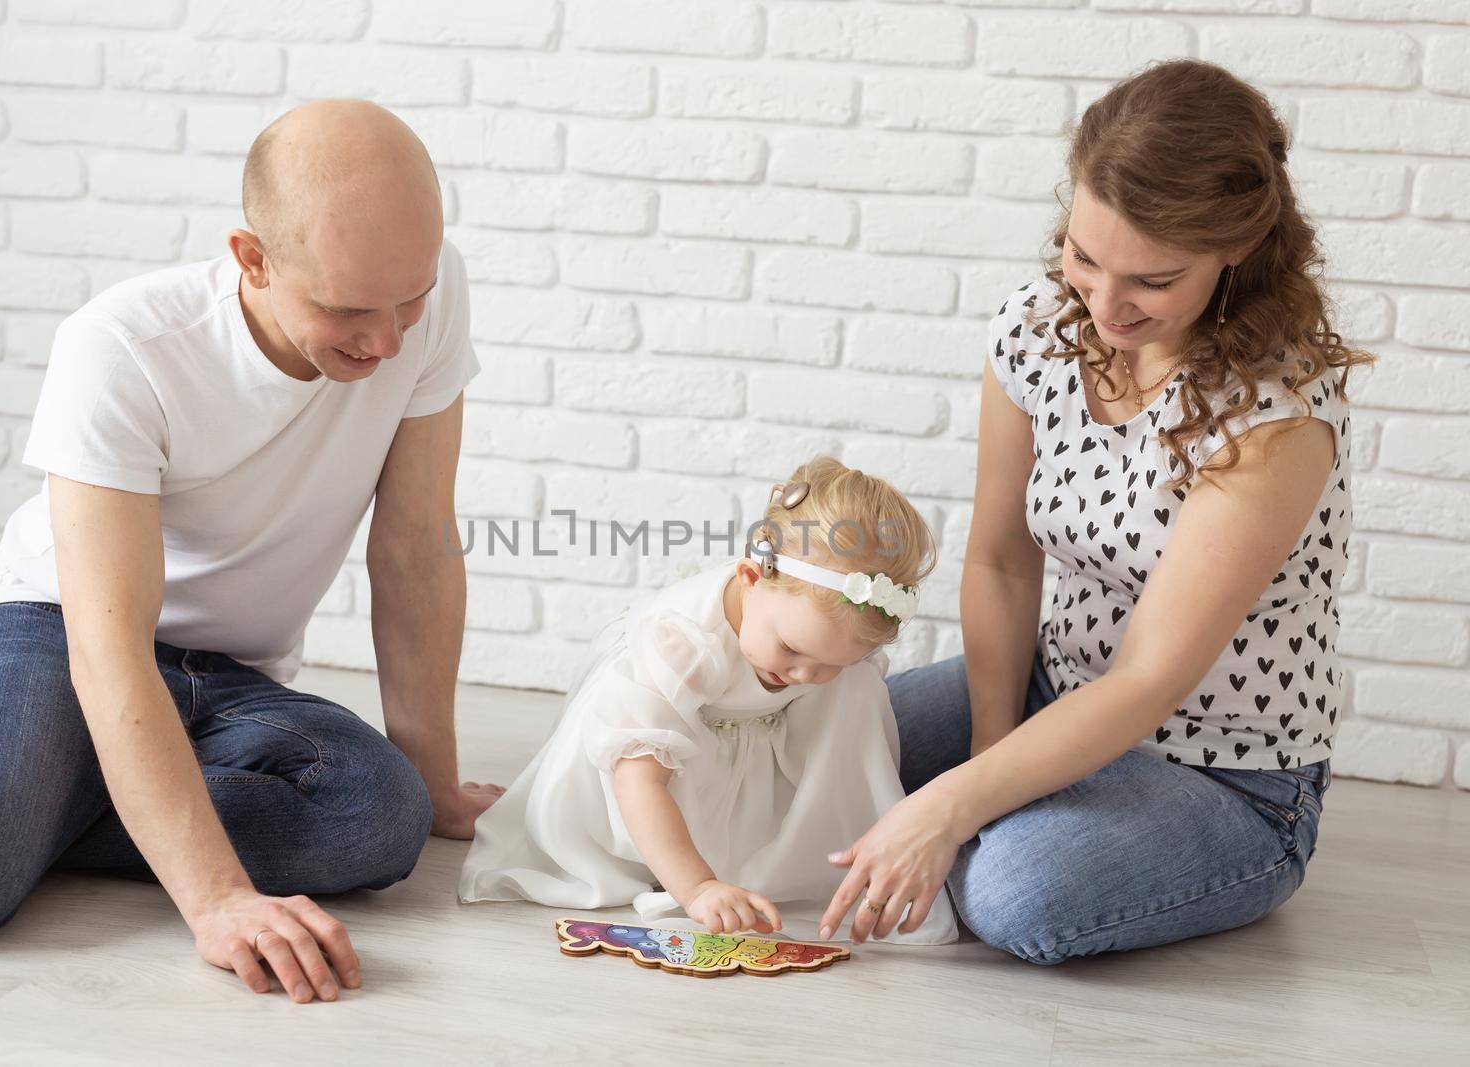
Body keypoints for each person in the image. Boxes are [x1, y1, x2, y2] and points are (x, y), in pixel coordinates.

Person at [0, 100, 503, 1002]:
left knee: (382, 814)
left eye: (412, 299)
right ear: (252, 257)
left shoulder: (420, 297)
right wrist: (215, 898)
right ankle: (6, 827)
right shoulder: (123, 347)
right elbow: (107, 645)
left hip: (233, 675)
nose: (390, 341)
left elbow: (414, 551)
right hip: (58, 633)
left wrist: (437, 783)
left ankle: (40, 810)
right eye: (349, 310)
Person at [817, 60, 1374, 961]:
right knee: (816, 738)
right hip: (1054, 693)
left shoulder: (1277, 416)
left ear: (1236, 248)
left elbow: (1148, 679)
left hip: (1223, 772)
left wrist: (957, 802)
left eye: (1152, 280)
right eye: (1084, 255)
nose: (1104, 304)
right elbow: (1000, 559)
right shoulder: (1039, 327)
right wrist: (991, 758)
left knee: (1017, 891)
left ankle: (1020, 841)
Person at [460, 457, 957, 945]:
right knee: (642, 793)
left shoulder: (815, 648)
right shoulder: (685, 643)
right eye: (792, 649)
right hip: (650, 767)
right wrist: (697, 887)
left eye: (830, 662)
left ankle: (831, 856)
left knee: (857, 691)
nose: (804, 674)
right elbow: (638, 778)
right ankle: (676, 861)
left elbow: (830, 683)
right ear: (749, 578)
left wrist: (839, 675)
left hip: (748, 743)